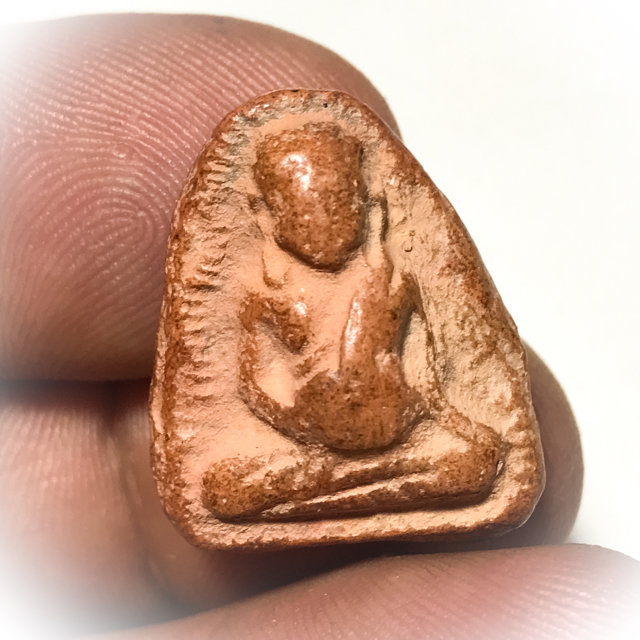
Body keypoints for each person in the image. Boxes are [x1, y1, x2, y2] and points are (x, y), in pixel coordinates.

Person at [0, 14, 638, 639]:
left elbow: (437, 361)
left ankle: (344, 485)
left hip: (398, 437)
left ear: (366, 205)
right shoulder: (265, 296)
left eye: (342, 212)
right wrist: (298, 419)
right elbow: (251, 384)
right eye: (305, 215)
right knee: (221, 493)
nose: (327, 228)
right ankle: (353, 483)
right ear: (270, 216)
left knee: (480, 463)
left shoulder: (396, 278)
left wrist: (427, 407)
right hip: (306, 443)